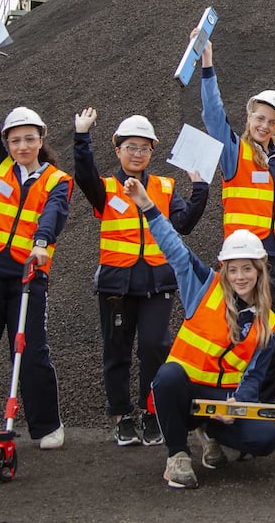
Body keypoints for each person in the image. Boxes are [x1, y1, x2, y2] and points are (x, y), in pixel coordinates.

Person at [124, 179, 275, 490]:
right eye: (233, 269)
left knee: (265, 439)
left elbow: (254, 376)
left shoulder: (269, 322)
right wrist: (147, 206)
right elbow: (175, 248)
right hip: (183, 390)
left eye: (247, 269)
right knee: (167, 376)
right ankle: (178, 455)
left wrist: (237, 405)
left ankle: (210, 431)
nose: (240, 277)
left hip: (222, 398)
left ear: (260, 271)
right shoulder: (204, 286)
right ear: (224, 269)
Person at [73, 108, 209, 446]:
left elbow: (184, 225)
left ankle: (151, 413)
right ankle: (121, 416)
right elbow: (84, 175)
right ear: (117, 150)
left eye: (145, 147)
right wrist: (81, 137)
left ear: (152, 151)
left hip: (157, 282)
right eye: (131, 147)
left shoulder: (164, 187)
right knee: (117, 349)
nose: (138, 153)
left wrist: (201, 189)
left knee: (154, 346)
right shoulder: (104, 188)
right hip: (116, 285)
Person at [0, 46, 73, 454]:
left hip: (29, 271)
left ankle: (46, 425)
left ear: (42, 140)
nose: (23, 146)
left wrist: (41, 245)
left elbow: (54, 214)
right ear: (6, 143)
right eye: (15, 140)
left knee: (31, 349)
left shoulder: (56, 179)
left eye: (30, 139)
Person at [196, 33, 275, 405]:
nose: (264, 125)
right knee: (235, 329)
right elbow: (211, 115)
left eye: (271, 121)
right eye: (259, 117)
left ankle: (261, 403)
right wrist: (207, 65)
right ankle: (230, 397)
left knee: (271, 333)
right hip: (241, 259)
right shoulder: (234, 152)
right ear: (249, 116)